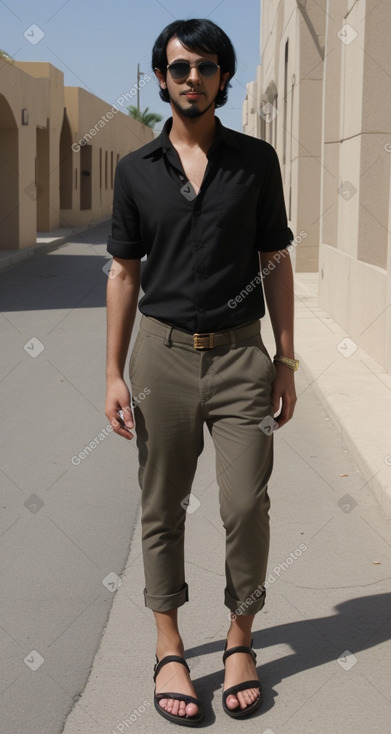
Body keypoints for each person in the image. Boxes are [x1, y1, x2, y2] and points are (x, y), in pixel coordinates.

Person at [105, 17, 298, 726]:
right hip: (160, 355)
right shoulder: (135, 171)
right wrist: (113, 373)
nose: (192, 78)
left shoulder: (255, 162)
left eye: (206, 67)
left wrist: (285, 359)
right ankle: (169, 647)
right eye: (180, 67)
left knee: (246, 503)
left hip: (243, 354)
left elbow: (272, 261)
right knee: (161, 507)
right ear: (162, 78)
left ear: (223, 77)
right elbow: (123, 273)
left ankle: (241, 637)